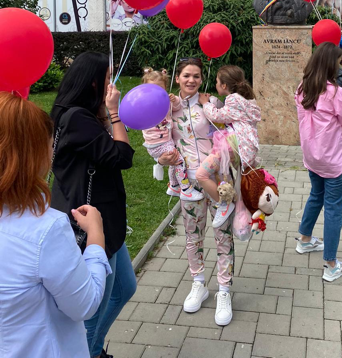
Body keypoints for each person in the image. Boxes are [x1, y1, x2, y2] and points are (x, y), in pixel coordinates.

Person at [0, 91, 111, 358]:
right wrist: (96, 237)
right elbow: (85, 305)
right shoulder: (45, 230)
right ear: (32, 155)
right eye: (50, 145)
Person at [50, 52, 137, 358]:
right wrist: (114, 113)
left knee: (125, 288)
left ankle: (95, 348)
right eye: (107, 77)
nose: (112, 84)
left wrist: (104, 114)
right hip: (92, 223)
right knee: (95, 308)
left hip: (105, 220)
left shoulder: (77, 113)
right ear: (92, 82)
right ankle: (89, 351)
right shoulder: (76, 117)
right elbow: (122, 156)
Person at [159, 57, 235, 327]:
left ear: (202, 79)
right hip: (187, 183)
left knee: (223, 236)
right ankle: (198, 283)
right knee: (193, 236)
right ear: (177, 78)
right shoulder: (167, 107)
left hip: (218, 182)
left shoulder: (211, 103)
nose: (191, 80)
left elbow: (230, 136)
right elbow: (159, 140)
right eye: (186, 75)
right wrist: (161, 159)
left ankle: (224, 290)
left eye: (196, 76)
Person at [295, 42, 342, 281]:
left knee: (316, 195)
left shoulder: (303, 87)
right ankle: (331, 264)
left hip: (312, 155)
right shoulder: (335, 92)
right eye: (338, 62)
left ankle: (305, 239)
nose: (340, 66)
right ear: (331, 64)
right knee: (333, 208)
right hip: (334, 157)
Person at [196, 65, 261, 227]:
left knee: (201, 175)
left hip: (232, 145)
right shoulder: (246, 100)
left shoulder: (233, 99)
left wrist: (205, 103)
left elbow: (217, 116)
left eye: (217, 82)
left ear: (224, 85)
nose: (216, 84)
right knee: (235, 181)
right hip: (243, 147)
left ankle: (224, 203)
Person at [141, 67, 203, 201]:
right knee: (178, 161)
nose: (156, 92)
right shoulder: (145, 103)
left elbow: (176, 107)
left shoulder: (166, 101)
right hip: (157, 143)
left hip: (164, 141)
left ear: (165, 88)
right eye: (151, 89)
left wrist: (174, 100)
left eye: (160, 89)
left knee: (174, 161)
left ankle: (174, 186)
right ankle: (185, 189)